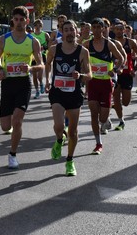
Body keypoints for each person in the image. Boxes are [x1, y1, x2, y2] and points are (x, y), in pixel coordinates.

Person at [0, 6, 44, 169]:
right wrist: (0, 69)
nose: (19, 22)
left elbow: (41, 64)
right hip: (8, 84)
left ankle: (13, 154)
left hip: (23, 83)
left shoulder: (33, 42)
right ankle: (11, 139)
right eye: (16, 19)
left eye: (22, 19)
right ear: (12, 21)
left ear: (27, 21)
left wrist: (30, 69)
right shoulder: (4, 39)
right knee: (5, 126)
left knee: (17, 121)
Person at [45, 20, 91, 176]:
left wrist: (81, 75)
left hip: (74, 93)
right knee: (58, 126)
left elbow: (89, 74)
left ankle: (70, 161)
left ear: (76, 32)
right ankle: (59, 140)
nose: (69, 32)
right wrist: (46, 81)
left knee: (72, 132)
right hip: (57, 92)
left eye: (72, 29)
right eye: (66, 30)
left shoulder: (83, 51)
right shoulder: (53, 49)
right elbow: (47, 64)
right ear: (62, 32)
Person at [83, 17, 124, 154]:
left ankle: (106, 121)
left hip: (106, 83)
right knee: (94, 113)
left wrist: (115, 70)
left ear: (103, 28)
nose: (95, 30)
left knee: (102, 117)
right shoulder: (87, 44)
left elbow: (121, 58)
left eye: (98, 27)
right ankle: (98, 143)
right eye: (93, 27)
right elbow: (79, 58)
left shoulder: (109, 44)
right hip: (93, 83)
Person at [112, 20, 137, 130]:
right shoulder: (111, 42)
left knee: (125, 102)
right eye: (117, 29)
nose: (119, 31)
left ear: (124, 30)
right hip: (115, 74)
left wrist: (135, 68)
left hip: (127, 74)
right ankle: (121, 121)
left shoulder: (130, 42)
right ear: (114, 30)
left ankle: (120, 106)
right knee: (116, 97)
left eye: (121, 29)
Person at [31, 19, 50, 99]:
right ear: (34, 26)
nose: (37, 27)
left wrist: (44, 48)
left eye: (39, 25)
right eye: (36, 25)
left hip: (42, 56)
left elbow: (50, 44)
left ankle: (41, 84)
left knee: (39, 76)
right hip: (33, 57)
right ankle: (37, 91)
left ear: (41, 26)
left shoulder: (45, 34)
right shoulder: (31, 35)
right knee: (34, 77)